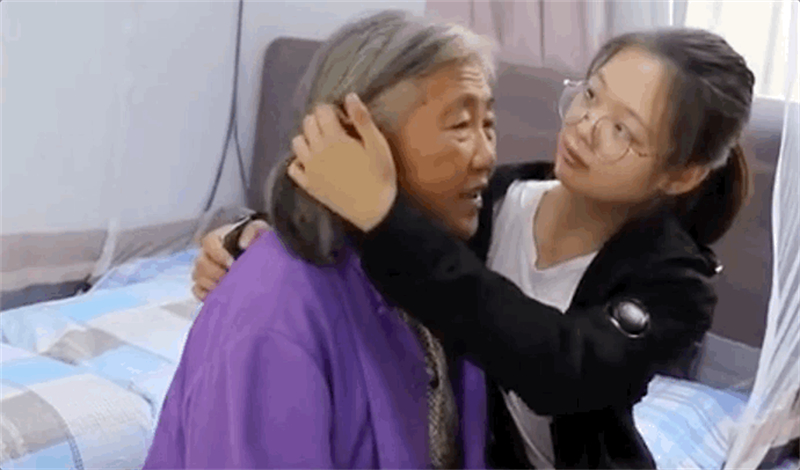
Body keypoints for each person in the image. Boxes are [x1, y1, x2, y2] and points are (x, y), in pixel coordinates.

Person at [197, 28, 755, 468]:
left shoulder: (677, 285)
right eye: (590, 94)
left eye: (623, 130)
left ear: (682, 174)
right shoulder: (497, 199)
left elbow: (558, 368)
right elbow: (387, 219)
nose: (585, 126)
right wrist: (250, 234)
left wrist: (385, 216)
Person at [143, 10, 496, 469]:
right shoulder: (273, 317)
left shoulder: (449, 273)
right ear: (352, 140)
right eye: (461, 126)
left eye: (489, 124)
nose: (487, 156)